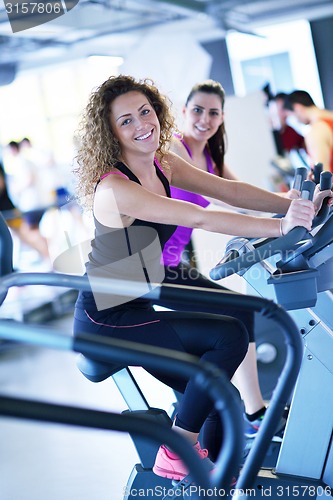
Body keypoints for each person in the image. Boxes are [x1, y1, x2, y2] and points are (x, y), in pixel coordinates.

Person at [72, 75, 328, 482]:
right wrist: (281, 228)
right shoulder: (114, 189)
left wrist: (293, 205)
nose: (143, 124)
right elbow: (198, 215)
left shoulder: (164, 163)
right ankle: (176, 452)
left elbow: (228, 190)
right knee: (228, 335)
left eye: (145, 111)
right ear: (110, 133)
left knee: (218, 395)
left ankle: (208, 479)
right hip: (106, 319)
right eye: (126, 121)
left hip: (138, 302)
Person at [0, 158, 50, 265]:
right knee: (26, 235)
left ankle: (48, 257)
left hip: (8, 209)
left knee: (27, 234)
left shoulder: (23, 162)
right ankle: (47, 257)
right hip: (12, 208)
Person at [284, 90, 333, 174]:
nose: (295, 121)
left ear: (297, 108)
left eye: (292, 116)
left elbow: (323, 176)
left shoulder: (316, 131)